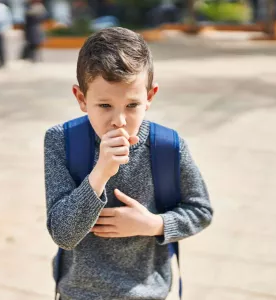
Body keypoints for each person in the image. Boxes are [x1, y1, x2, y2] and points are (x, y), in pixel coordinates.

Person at [44, 27, 213, 300]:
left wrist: (155, 225)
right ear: (81, 99)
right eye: (104, 106)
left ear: (150, 97)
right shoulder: (60, 141)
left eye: (132, 105)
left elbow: (200, 210)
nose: (119, 121)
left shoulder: (168, 147)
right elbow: (63, 234)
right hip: (78, 293)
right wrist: (100, 173)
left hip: (147, 293)